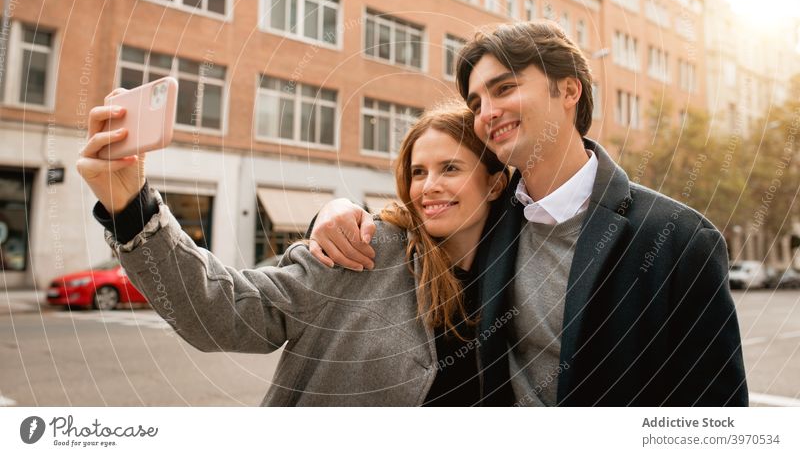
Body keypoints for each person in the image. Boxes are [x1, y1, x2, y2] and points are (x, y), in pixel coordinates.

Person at [307, 21, 749, 406]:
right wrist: (333, 213)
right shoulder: (489, 216)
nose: (487, 113)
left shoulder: (679, 239)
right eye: (477, 103)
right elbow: (412, 222)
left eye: (504, 88)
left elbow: (714, 413)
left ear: (569, 89)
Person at [77, 100, 507, 406]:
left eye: (450, 168)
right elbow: (225, 313)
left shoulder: (519, 271)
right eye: (418, 172)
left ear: (494, 183)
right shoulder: (368, 247)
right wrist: (133, 210)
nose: (428, 185)